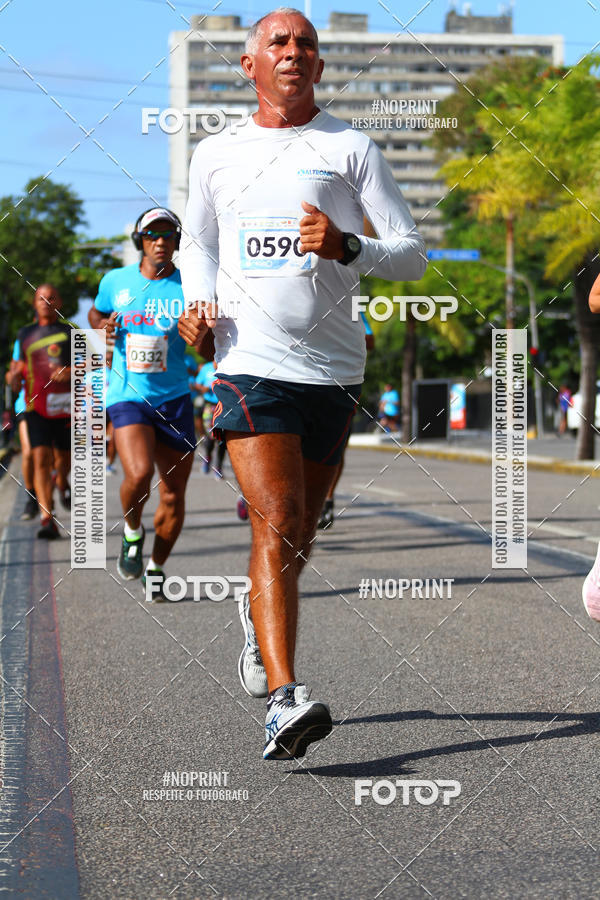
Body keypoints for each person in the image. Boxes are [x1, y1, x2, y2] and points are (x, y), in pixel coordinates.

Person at [178, 7, 426, 759]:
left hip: (335, 369)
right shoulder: (215, 155)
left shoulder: (350, 147)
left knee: (300, 531)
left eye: (307, 44)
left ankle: (258, 621)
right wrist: (197, 304)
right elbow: (198, 244)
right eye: (279, 42)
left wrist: (350, 244)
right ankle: (285, 702)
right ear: (250, 65)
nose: (294, 51)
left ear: (319, 66)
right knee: (278, 518)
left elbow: (412, 254)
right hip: (247, 362)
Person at [88, 207, 197, 601]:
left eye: (169, 235)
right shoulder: (115, 281)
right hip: (127, 394)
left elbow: (207, 340)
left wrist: (200, 335)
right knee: (136, 475)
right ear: (140, 241)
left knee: (172, 494)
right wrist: (102, 328)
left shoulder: (190, 286)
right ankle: (133, 532)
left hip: (175, 399)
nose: (161, 241)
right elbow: (96, 313)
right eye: (153, 235)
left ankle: (156, 568)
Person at [13, 285, 72, 539]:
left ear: (58, 301)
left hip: (66, 408)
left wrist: (69, 372)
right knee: (40, 458)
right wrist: (14, 378)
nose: (46, 302)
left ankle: (62, 480)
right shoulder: (25, 334)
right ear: (34, 303)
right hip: (35, 406)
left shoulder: (71, 332)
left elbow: (93, 364)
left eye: (51, 298)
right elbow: (16, 370)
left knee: (63, 461)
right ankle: (47, 518)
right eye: (41, 298)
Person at [6, 336, 38, 519]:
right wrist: (13, 377)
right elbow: (12, 373)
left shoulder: (64, 333)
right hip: (27, 406)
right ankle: (32, 497)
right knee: (28, 453)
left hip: (56, 406)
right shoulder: (24, 338)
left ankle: (61, 481)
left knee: (55, 457)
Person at [195, 360, 226, 477]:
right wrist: (203, 388)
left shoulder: (227, 366)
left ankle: (218, 467)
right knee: (211, 435)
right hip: (209, 405)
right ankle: (207, 457)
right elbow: (197, 383)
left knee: (222, 438)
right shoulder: (206, 368)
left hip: (224, 406)